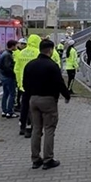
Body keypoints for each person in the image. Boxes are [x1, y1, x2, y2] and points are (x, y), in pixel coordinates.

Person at [23, 38, 71, 170]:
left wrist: (30, 96)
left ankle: (35, 159)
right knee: (49, 129)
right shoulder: (52, 66)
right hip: (48, 100)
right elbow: (59, 83)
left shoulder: (30, 65)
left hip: (33, 100)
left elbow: (25, 84)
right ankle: (48, 159)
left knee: (36, 129)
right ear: (50, 50)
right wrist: (66, 96)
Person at [14, 35, 42, 138]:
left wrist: (19, 83)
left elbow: (16, 69)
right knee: (35, 108)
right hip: (35, 86)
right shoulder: (38, 53)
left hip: (23, 85)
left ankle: (22, 126)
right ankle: (31, 127)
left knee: (24, 106)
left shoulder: (21, 53)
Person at [0, 40, 19, 118]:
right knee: (12, 94)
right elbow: (8, 67)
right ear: (12, 46)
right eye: (16, 45)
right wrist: (13, 74)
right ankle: (10, 111)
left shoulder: (4, 53)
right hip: (8, 77)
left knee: (5, 94)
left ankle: (4, 110)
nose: (17, 47)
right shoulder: (8, 55)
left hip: (3, 76)